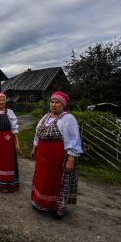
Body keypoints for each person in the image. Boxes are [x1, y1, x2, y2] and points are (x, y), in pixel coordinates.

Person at [30, 91, 82, 219]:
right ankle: (40, 202)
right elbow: (38, 133)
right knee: (42, 178)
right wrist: (34, 147)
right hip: (43, 156)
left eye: (57, 102)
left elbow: (73, 140)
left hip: (57, 157)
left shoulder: (68, 118)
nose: (53, 105)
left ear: (63, 105)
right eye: (52, 102)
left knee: (55, 181)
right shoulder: (46, 117)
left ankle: (57, 208)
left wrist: (71, 158)